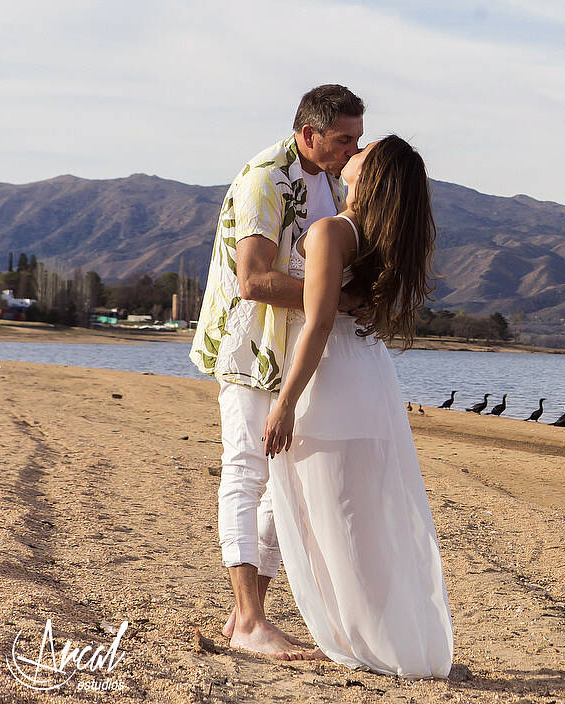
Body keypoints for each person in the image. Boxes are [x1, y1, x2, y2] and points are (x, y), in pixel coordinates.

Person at [262, 134, 454, 678]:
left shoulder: (330, 233)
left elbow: (318, 323)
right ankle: (395, 638)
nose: (355, 151)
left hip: (332, 379)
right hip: (370, 374)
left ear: (372, 177)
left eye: (365, 151)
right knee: (364, 513)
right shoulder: (383, 238)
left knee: (339, 517)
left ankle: (369, 643)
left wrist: (285, 403)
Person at [190, 84, 364, 660]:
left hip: (294, 351)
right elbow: (254, 281)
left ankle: (250, 617)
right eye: (344, 139)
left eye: (356, 140)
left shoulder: (330, 181)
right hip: (250, 347)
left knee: (281, 483)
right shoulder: (267, 178)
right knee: (246, 470)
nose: (351, 150)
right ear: (309, 134)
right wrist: (332, 303)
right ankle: (246, 620)